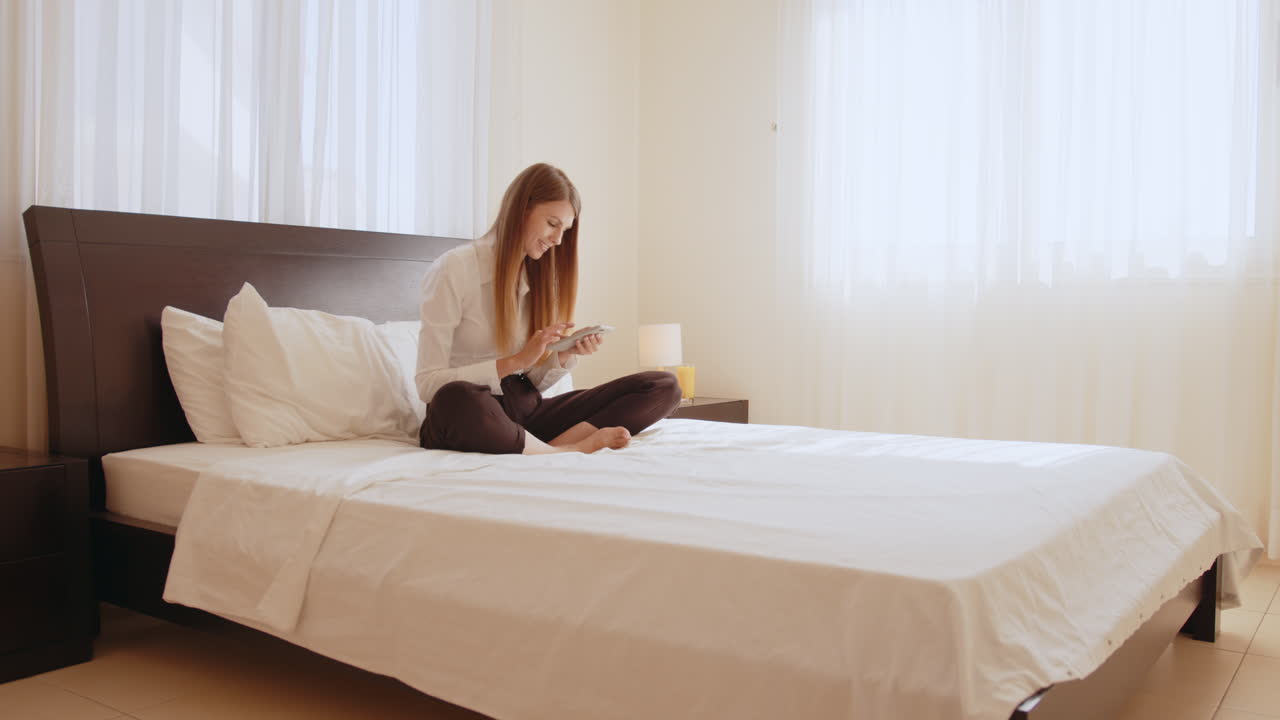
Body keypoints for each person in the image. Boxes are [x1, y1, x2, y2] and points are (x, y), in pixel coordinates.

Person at [415, 163, 681, 454]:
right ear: (522, 209)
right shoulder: (454, 269)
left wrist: (563, 354)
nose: (558, 240)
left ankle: (547, 447)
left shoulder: (537, 276)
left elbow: (530, 386)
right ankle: (562, 452)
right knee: (456, 397)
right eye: (552, 224)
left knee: (662, 386)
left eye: (565, 230)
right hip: (468, 413)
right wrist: (515, 361)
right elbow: (428, 384)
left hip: (520, 411)